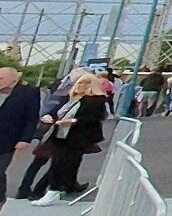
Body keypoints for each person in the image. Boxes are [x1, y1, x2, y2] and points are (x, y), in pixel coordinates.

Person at [30, 73, 109, 205]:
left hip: (77, 137)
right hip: (61, 134)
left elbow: (95, 118)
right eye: (80, 83)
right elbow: (56, 112)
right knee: (61, 162)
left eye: (86, 83)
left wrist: (74, 121)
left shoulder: (96, 100)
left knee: (64, 162)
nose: (82, 86)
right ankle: (60, 188)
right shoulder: (71, 98)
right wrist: (49, 116)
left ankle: (53, 191)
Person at [0, 66, 43, 208]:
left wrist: (25, 139)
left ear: (13, 79)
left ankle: (0, 198)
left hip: (8, 139)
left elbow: (31, 119)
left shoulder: (28, 93)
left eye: (1, 78)